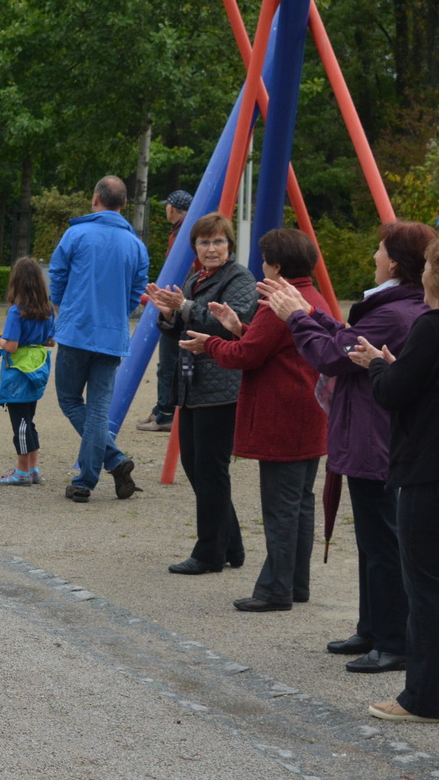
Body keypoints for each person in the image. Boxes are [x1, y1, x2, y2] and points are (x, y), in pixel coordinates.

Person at [266, 221, 433, 670]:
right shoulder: (397, 305)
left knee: (382, 543)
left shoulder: (393, 311)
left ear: (395, 261)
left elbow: (331, 356)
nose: (374, 257)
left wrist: (297, 317)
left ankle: (393, 640)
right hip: (371, 436)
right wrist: (309, 312)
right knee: (372, 541)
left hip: (374, 439)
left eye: (380, 250)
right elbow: (342, 337)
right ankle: (373, 627)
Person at [350, 236, 439, 723]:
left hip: (430, 468)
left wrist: (375, 364)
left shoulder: (432, 325)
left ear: (438, 277)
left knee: (426, 582)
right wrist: (393, 367)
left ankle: (424, 696)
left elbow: (393, 393)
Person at [180, 229, 334, 611]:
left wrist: (211, 343)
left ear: (277, 265)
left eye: (265, 258)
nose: (261, 265)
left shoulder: (277, 302)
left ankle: (275, 589)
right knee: (300, 502)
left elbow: (248, 356)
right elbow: (269, 345)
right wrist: (238, 328)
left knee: (281, 506)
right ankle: (295, 583)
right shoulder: (309, 296)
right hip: (310, 412)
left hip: (281, 413)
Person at [144, 213, 255, 574]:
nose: (211, 249)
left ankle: (209, 552)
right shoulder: (195, 279)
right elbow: (184, 329)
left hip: (222, 387)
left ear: (229, 245)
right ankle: (231, 546)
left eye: (218, 241)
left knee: (210, 470)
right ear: (195, 247)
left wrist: (184, 309)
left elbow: (229, 321)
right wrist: (168, 316)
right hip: (193, 386)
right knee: (198, 468)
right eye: (204, 242)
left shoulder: (240, 278)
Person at [48, 176, 149, 502]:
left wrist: (62, 306)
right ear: (123, 205)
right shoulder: (136, 245)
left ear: (95, 199)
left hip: (77, 331)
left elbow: (58, 275)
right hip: (112, 337)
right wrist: (119, 311)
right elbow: (137, 291)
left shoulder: (76, 233)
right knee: (97, 411)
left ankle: (89, 480)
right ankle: (108, 464)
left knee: (69, 400)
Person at [0, 258, 55, 485]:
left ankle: (22, 473)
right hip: (38, 368)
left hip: (18, 372)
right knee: (29, 419)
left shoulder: (17, 311)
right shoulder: (47, 309)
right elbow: (50, 342)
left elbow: (12, 346)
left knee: (21, 423)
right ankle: (34, 469)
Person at [138, 189, 194, 432]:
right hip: (179, 302)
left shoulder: (183, 233)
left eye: (166, 206)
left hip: (177, 305)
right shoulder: (185, 230)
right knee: (169, 360)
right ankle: (163, 408)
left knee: (169, 360)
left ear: (172, 208)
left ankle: (165, 412)